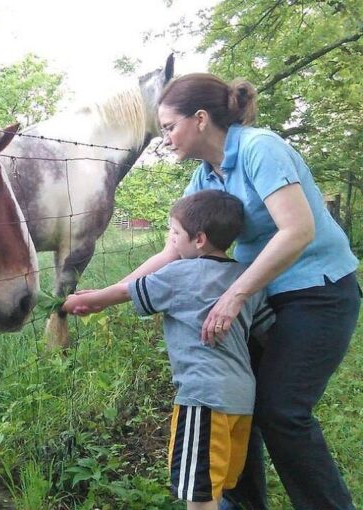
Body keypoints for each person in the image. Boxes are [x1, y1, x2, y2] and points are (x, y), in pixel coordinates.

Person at [120, 73, 359, 510]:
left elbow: (298, 229)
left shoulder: (258, 148)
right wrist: (109, 293)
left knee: (282, 411)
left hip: (317, 291)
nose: (165, 138)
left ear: (200, 118)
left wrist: (234, 297)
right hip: (260, 297)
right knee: (236, 396)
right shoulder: (205, 180)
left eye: (169, 127)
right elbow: (173, 250)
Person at [63, 189, 276, 510]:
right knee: (219, 487)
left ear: (199, 239)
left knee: (199, 495)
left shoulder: (178, 275)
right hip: (242, 401)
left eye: (175, 233)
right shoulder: (245, 281)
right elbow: (267, 330)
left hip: (202, 401)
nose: (171, 240)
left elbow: (116, 295)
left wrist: (78, 300)